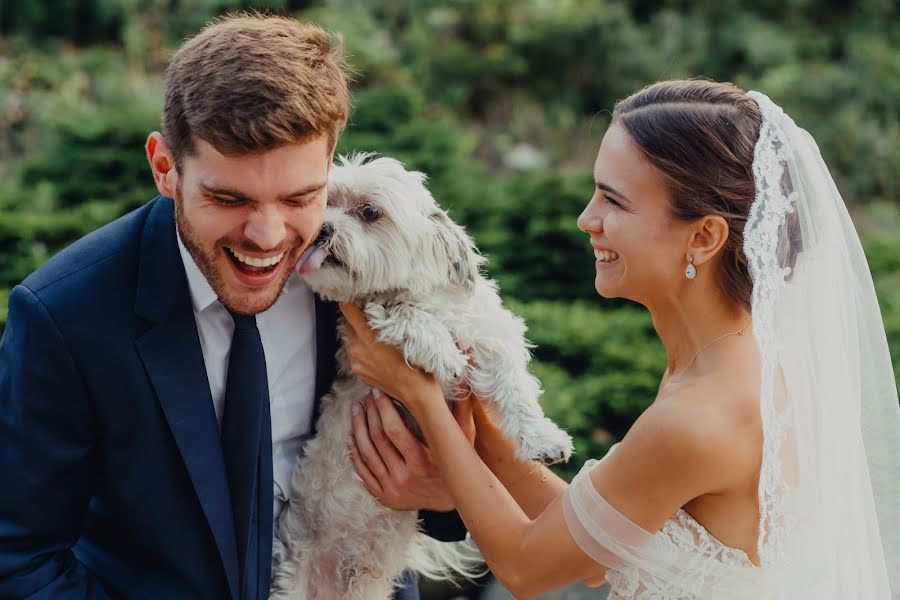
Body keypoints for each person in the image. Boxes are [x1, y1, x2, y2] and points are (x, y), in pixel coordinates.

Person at [339, 79, 900, 598]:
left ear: (704, 236)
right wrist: (470, 413)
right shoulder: (731, 364)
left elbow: (528, 566)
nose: (587, 219)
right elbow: (593, 548)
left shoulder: (699, 416)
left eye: (614, 201)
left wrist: (417, 394)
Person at [0, 14, 465, 600]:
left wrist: (446, 494)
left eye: (300, 197)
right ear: (165, 167)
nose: (269, 237)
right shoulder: (64, 316)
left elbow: (460, 479)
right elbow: (19, 559)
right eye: (228, 198)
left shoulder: (368, 274)